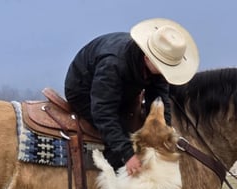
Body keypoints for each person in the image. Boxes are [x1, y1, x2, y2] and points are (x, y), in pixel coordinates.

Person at [64, 18, 199, 176]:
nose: (165, 72)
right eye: (164, 67)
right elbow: (103, 112)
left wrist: (164, 132)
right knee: (119, 134)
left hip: (123, 89)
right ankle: (110, 188)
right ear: (148, 57)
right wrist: (127, 155)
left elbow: (159, 102)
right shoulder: (113, 64)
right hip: (84, 92)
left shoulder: (156, 67)